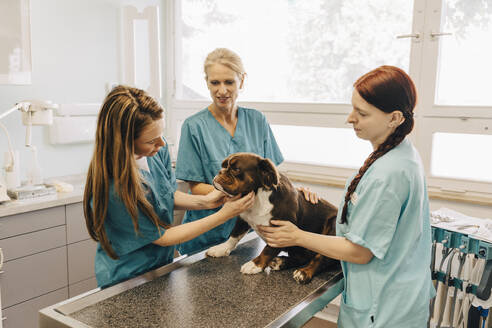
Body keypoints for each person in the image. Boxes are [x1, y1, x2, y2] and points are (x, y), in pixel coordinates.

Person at [258, 66, 435, 327]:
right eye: (353, 108)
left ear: (394, 118)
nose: (350, 118)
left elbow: (360, 251)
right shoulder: (398, 153)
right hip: (396, 295)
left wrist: (296, 235)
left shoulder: (389, 173)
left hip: (383, 308)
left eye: (362, 113)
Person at [83, 85, 254, 288]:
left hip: (161, 267)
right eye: (151, 140)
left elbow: (165, 195)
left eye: (161, 135)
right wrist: (223, 214)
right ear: (124, 141)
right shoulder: (114, 188)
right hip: (127, 277)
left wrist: (207, 201)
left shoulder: (156, 153)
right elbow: (163, 237)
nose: (162, 145)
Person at [174, 48, 286, 255]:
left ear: (241, 81)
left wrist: (297, 193)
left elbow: (272, 176)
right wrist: (231, 195)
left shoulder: (257, 120)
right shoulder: (193, 126)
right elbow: (195, 186)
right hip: (206, 232)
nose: (222, 90)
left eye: (229, 82)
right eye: (215, 83)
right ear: (206, 82)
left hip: (248, 230)